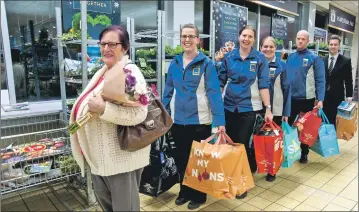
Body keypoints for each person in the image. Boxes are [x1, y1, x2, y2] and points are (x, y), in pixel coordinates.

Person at [69, 25, 150, 211]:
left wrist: (104, 108)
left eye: (113, 44)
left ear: (125, 47)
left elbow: (140, 113)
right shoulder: (104, 71)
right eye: (103, 44)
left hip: (121, 160)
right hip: (101, 159)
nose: (106, 48)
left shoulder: (130, 74)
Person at [162, 23, 225, 210]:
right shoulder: (174, 63)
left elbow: (214, 94)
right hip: (178, 121)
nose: (187, 39)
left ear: (198, 40)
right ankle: (185, 190)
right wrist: (162, 115)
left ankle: (199, 194)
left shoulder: (206, 64)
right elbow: (167, 92)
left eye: (191, 36)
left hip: (200, 121)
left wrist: (220, 121)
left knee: (199, 161)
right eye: (184, 36)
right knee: (181, 158)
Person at [217, 25, 272, 197]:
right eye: (244, 35)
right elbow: (220, 82)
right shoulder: (229, 57)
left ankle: (241, 182)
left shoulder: (259, 58)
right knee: (229, 144)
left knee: (241, 143)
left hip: (248, 108)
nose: (246, 39)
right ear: (239, 37)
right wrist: (217, 106)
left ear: (254, 40)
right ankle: (230, 178)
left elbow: (264, 85)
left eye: (250, 36)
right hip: (228, 107)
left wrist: (268, 108)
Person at [286, 30, 325, 164]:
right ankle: (287, 151)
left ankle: (304, 152)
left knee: (305, 128)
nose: (300, 41)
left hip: (307, 100)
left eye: (303, 39)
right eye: (298, 38)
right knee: (288, 126)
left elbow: (320, 80)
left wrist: (320, 99)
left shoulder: (315, 59)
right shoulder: (290, 57)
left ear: (308, 41)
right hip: (291, 99)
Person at [260, 36, 291, 182]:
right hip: (257, 108)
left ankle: (272, 170)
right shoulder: (256, 63)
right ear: (261, 48)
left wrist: (286, 112)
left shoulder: (282, 66)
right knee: (257, 139)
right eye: (265, 46)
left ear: (275, 49)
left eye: (270, 47)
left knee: (273, 141)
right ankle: (257, 163)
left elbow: (287, 89)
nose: (267, 49)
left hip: (276, 110)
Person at [323, 35, 353, 125]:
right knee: (323, 119)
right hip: (324, 96)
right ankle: (323, 138)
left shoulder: (345, 61)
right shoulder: (322, 60)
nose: (333, 46)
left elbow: (348, 80)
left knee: (335, 120)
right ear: (328, 45)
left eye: (335, 45)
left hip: (337, 96)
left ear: (339, 46)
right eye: (331, 44)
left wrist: (349, 96)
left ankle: (333, 138)